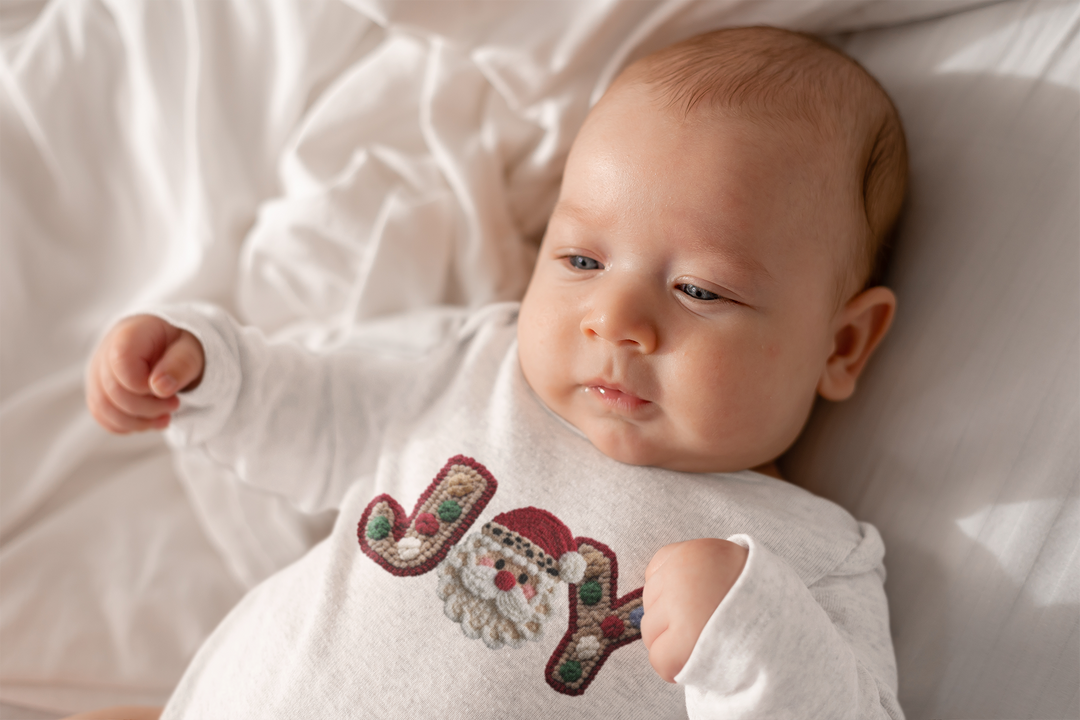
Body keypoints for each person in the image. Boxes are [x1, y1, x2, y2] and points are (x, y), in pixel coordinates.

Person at [80, 25, 907, 719]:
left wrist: (749, 636)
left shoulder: (808, 557)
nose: (613, 320)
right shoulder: (479, 372)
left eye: (699, 289)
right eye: (581, 258)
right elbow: (321, 411)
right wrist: (211, 375)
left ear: (841, 346)